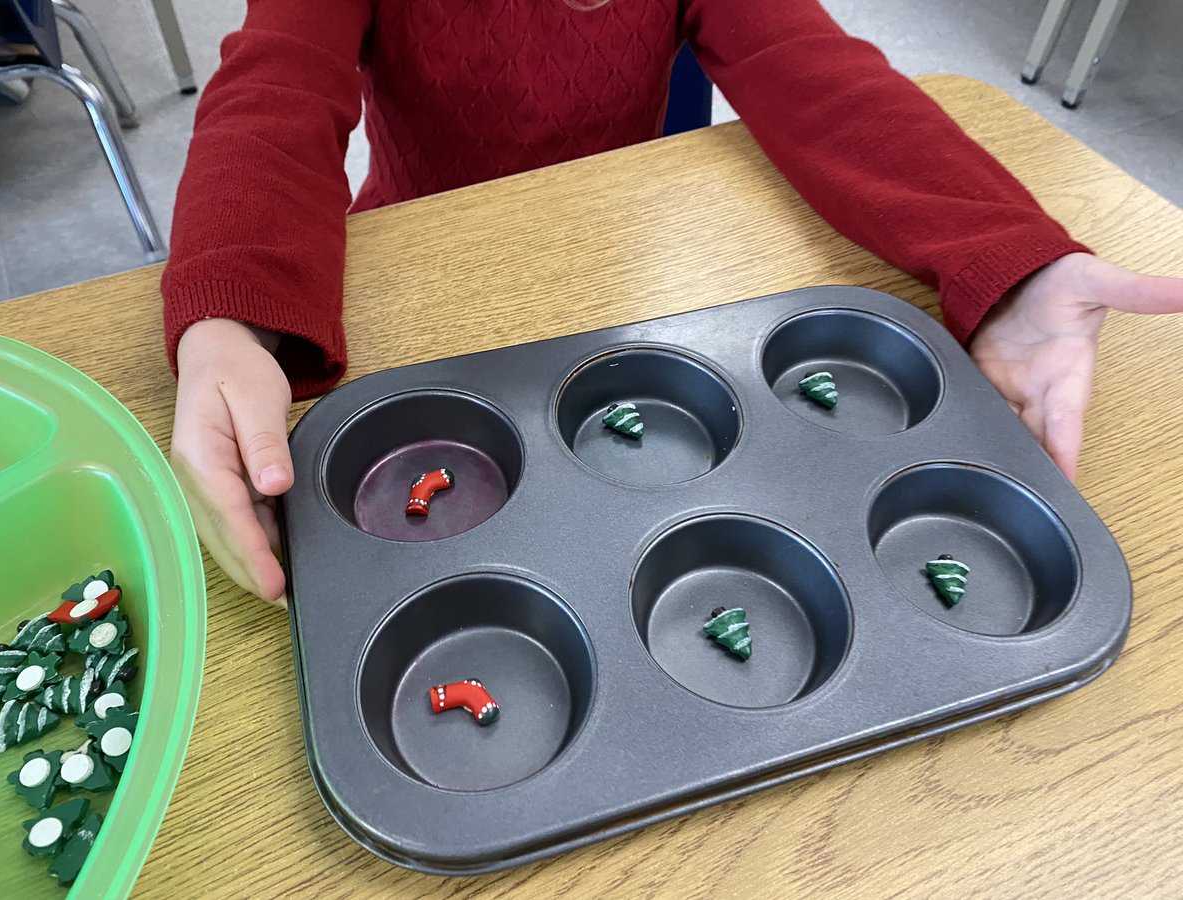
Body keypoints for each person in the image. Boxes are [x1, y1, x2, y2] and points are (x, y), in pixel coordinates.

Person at [163, 0, 1183, 602]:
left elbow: (811, 69)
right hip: (428, 281)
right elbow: (275, 89)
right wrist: (229, 316)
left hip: (619, 284)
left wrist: (1004, 256)